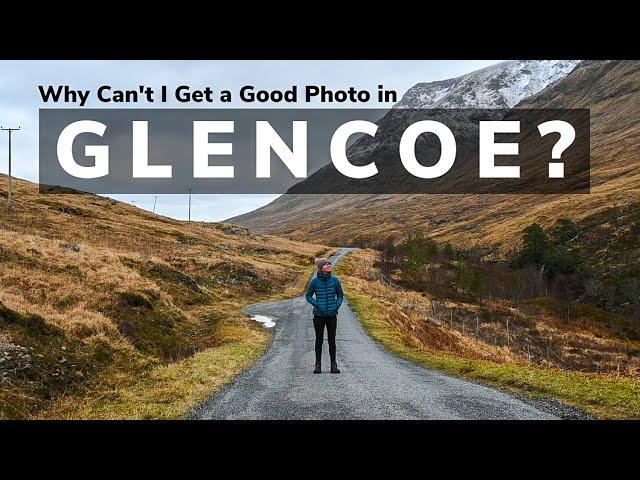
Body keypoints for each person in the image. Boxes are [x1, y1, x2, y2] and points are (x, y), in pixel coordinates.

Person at [305, 257, 344, 374]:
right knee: (319, 339)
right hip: (319, 315)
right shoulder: (314, 282)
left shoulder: (335, 281)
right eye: (326, 265)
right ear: (321, 268)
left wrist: (336, 306)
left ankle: (334, 365)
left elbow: (340, 295)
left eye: (329, 264)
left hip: (332, 315)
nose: (328, 266)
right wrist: (317, 304)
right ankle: (318, 365)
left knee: (332, 340)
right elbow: (308, 296)